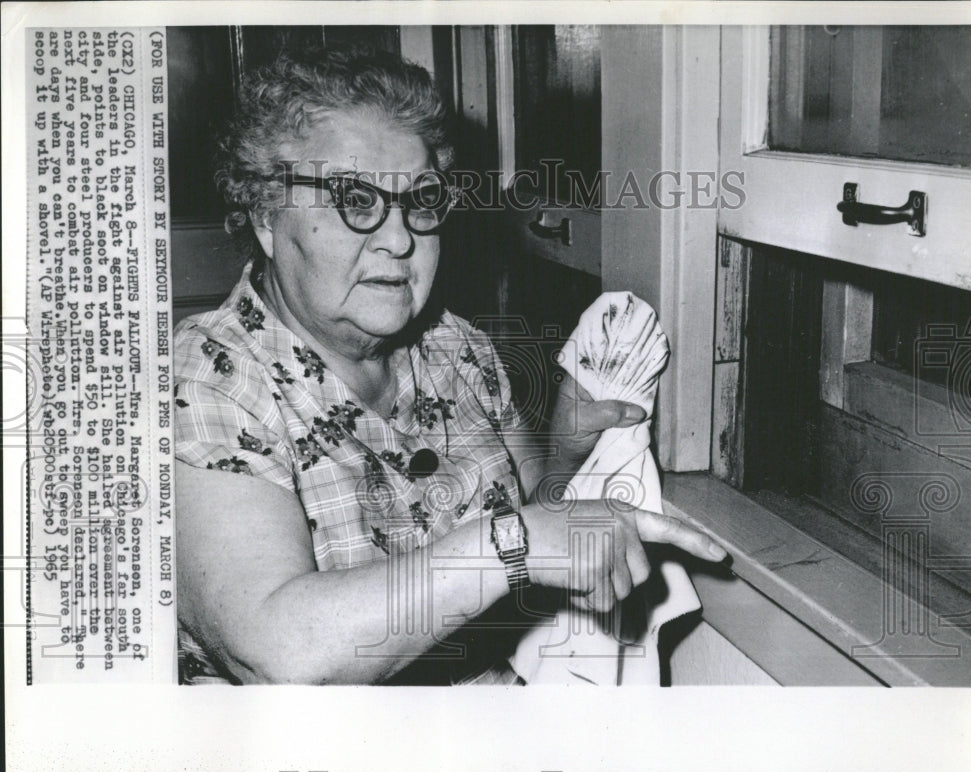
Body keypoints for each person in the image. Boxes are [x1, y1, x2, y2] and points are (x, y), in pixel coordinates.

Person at [173, 46, 727, 685]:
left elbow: (539, 517)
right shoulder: (209, 379)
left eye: (422, 200)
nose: (400, 237)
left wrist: (567, 449)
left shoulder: (454, 347)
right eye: (356, 198)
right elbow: (278, 653)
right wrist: (509, 546)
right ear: (267, 216)